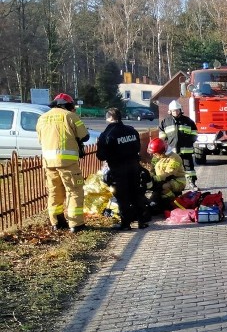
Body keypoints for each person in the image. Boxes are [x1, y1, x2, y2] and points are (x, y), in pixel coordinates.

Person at [36, 93, 90, 233]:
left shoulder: (42, 118)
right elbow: (84, 136)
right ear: (68, 105)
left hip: (49, 163)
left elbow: (40, 139)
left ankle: (57, 222)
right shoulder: (69, 116)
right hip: (67, 163)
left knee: (54, 192)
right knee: (74, 191)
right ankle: (76, 224)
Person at [96, 108, 147, 230]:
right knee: (136, 193)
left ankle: (126, 224)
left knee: (122, 197)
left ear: (109, 118)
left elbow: (101, 156)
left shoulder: (107, 134)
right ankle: (142, 221)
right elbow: (137, 147)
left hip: (118, 169)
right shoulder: (132, 131)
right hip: (134, 167)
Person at [158, 100, 198, 190]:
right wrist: (165, 143)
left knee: (189, 168)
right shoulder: (165, 121)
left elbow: (195, 134)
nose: (175, 112)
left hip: (186, 150)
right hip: (172, 152)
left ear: (180, 110)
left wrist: (189, 141)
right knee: (173, 168)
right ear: (170, 111)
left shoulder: (188, 121)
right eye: (173, 110)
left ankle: (192, 183)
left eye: (177, 110)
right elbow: (161, 135)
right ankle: (174, 184)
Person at [147, 137, 186, 210]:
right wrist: (149, 177)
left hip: (177, 181)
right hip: (162, 180)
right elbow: (152, 170)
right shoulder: (157, 157)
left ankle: (173, 202)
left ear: (162, 151)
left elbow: (170, 173)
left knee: (164, 187)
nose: (154, 155)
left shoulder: (174, 158)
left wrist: (155, 178)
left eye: (155, 153)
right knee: (154, 198)